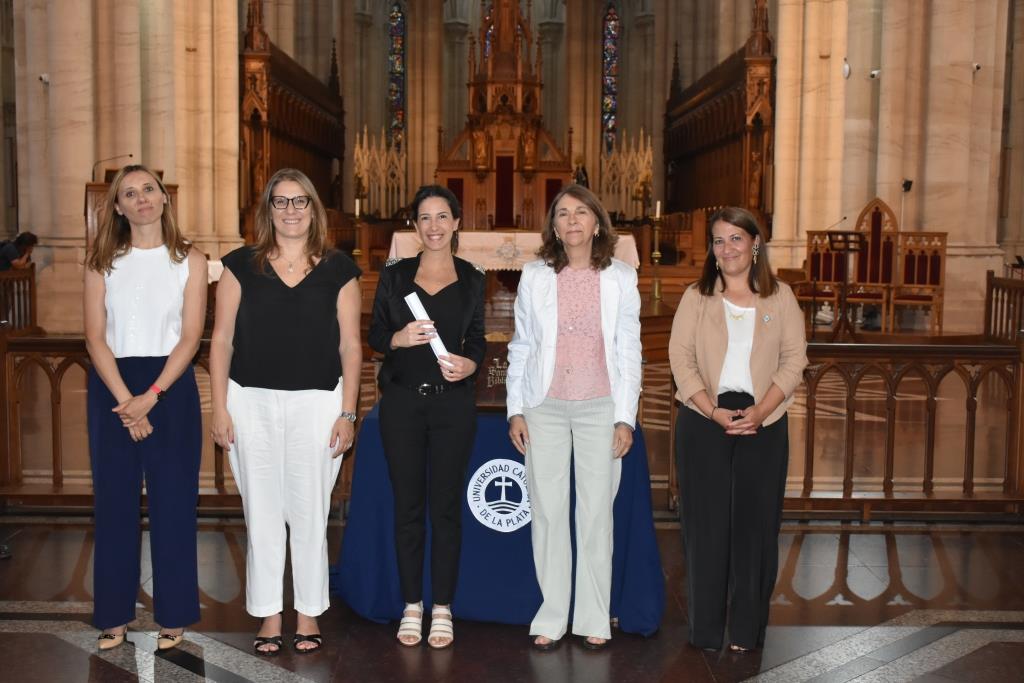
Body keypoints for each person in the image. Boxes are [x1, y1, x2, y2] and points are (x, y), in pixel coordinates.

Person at [210, 168, 362, 655]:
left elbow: (352, 347)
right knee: (263, 512)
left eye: (300, 202)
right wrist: (219, 407)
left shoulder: (340, 269)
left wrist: (348, 412)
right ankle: (270, 616)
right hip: (250, 401)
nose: (291, 211)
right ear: (267, 210)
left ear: (314, 210)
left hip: (318, 403)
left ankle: (309, 614)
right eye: (281, 202)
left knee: (310, 511)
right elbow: (221, 340)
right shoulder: (239, 266)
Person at [506, 184, 642, 652]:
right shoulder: (535, 275)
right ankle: (551, 614)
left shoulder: (621, 277)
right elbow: (521, 346)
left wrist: (626, 417)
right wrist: (516, 409)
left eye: (580, 212)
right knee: (546, 513)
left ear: (597, 222)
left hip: (600, 405)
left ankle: (593, 616)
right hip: (544, 405)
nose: (571, 221)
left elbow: (629, 351)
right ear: (554, 226)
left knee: (595, 515)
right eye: (562, 214)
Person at [668, 206, 807, 652]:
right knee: (705, 528)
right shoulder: (696, 296)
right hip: (704, 419)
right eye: (718, 240)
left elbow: (793, 360)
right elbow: (681, 360)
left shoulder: (780, 297)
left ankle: (747, 629)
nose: (726, 249)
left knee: (755, 528)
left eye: (735, 239)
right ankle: (706, 631)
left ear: (755, 244)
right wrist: (711, 411)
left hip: (763, 421)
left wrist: (761, 411)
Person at [83, 164, 207, 651]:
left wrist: (150, 398)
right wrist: (125, 402)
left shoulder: (190, 259)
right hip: (112, 386)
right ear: (117, 207)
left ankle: (173, 614)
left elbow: (192, 336)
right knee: (114, 504)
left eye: (148, 190)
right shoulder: (101, 262)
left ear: (164, 198)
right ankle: (113, 614)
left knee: (173, 504)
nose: (141, 200)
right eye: (129, 194)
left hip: (169, 387)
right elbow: (94, 337)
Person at [368, 184, 485, 649]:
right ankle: (411, 605)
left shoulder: (474, 278)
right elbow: (375, 332)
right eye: (425, 218)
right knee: (408, 508)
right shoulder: (395, 276)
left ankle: (443, 607)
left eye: (442, 217)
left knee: (446, 508)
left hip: (453, 405)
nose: (434, 226)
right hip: (402, 404)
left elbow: (476, 340)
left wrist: (471, 364)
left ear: (456, 222)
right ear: (414, 225)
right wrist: (398, 338)